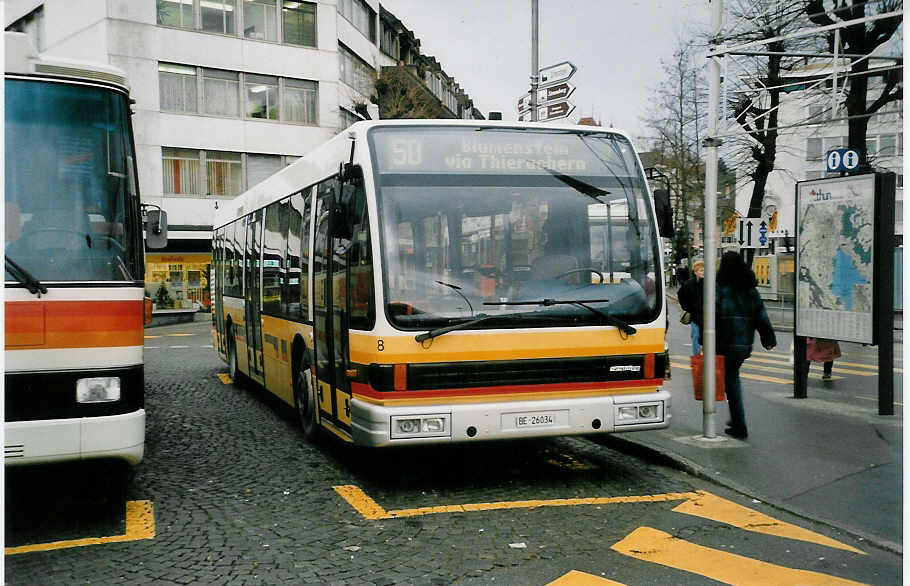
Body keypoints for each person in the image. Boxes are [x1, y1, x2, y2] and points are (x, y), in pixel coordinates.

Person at [714, 251, 776, 439]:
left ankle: (739, 424)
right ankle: (736, 420)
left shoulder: (720, 289)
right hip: (743, 344)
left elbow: (712, 316)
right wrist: (768, 339)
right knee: (732, 380)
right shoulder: (751, 290)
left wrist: (704, 339)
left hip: (723, 343)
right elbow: (761, 317)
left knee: (731, 382)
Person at [678, 259, 705, 355]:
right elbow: (681, 295)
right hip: (695, 317)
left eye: (704, 270)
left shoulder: (710, 283)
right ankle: (697, 358)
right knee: (696, 337)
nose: (703, 272)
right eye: (701, 270)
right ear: (695, 272)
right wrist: (687, 308)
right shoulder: (689, 284)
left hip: (708, 317)